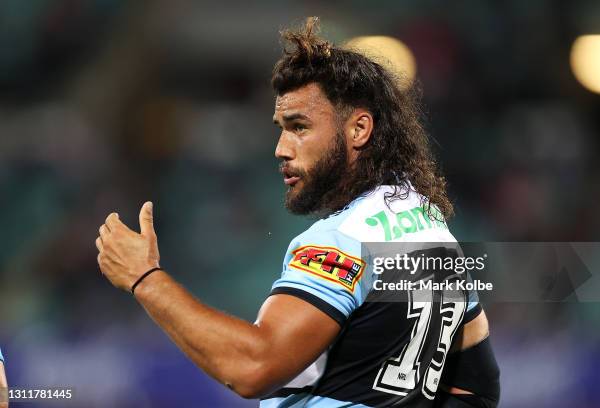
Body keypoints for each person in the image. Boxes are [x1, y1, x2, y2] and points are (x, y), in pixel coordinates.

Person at [95, 17, 499, 407]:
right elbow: (477, 386)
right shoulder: (428, 224)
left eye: (299, 127)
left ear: (359, 129)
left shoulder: (343, 239)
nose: (281, 148)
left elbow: (253, 367)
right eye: (281, 127)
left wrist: (145, 279)